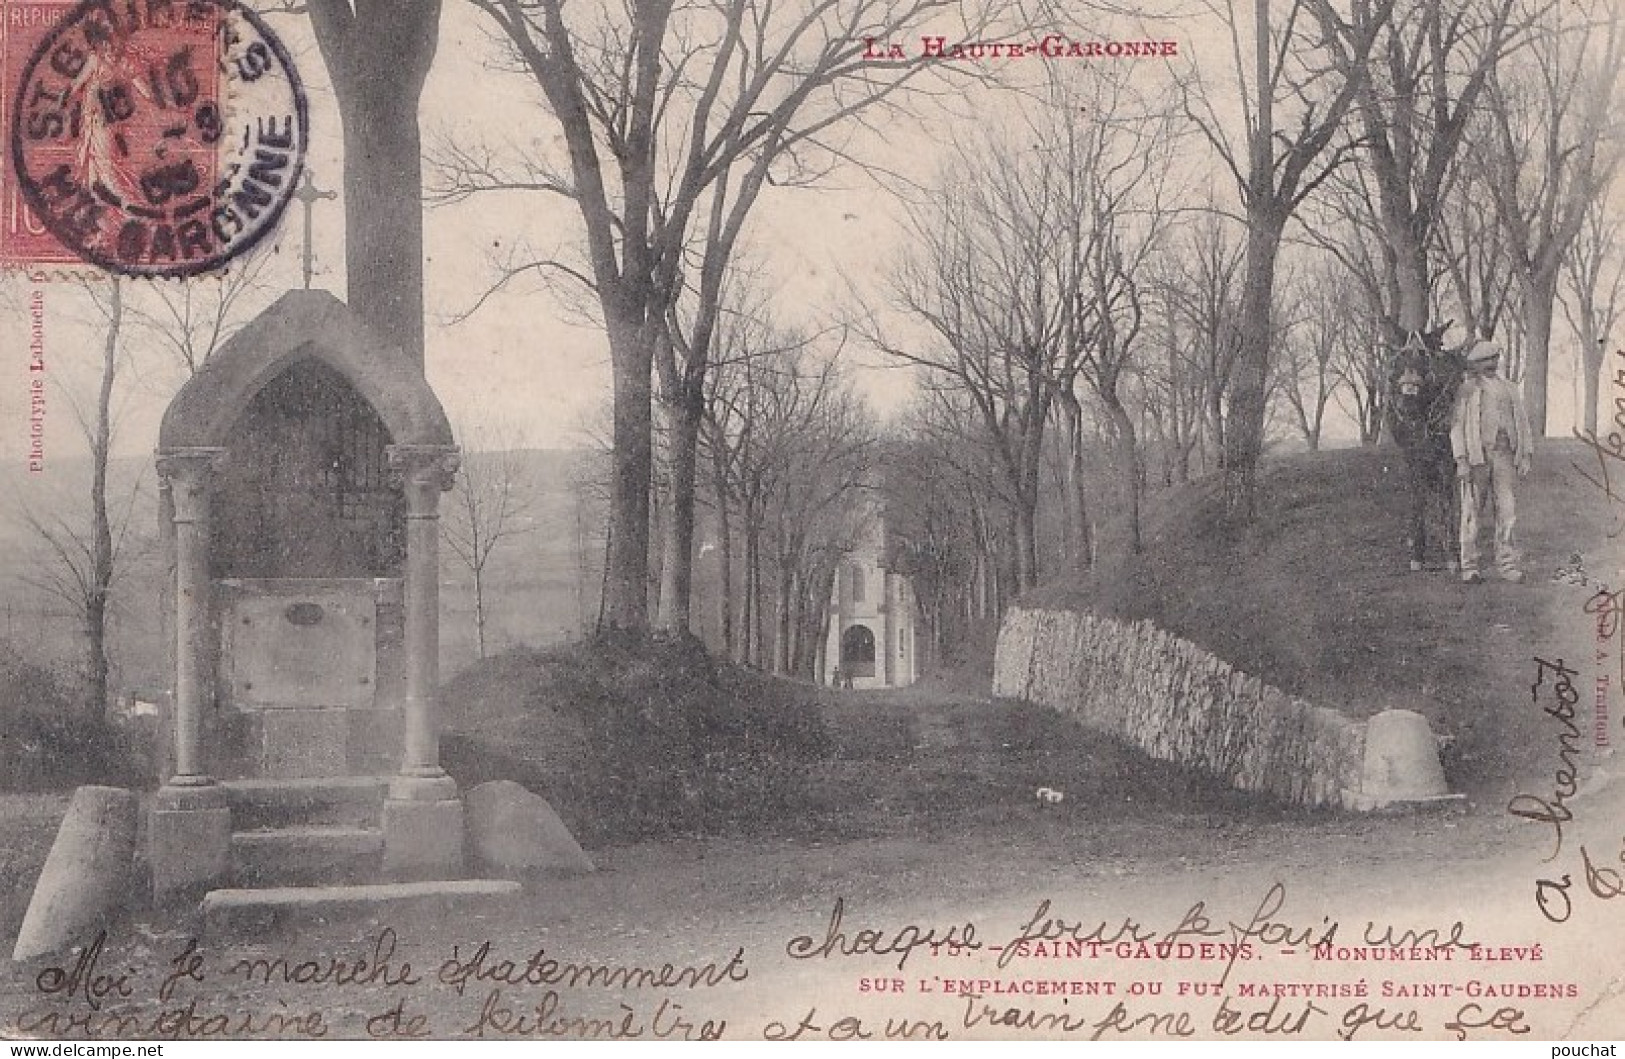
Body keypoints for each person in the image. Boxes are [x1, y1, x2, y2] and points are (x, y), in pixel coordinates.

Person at [1450, 338, 1533, 584]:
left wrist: (1525, 454)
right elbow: (1456, 427)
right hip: (1477, 458)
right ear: (1474, 365)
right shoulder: (1467, 390)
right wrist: (1461, 459)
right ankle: (1470, 566)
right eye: (1485, 361)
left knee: (1507, 510)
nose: (1491, 364)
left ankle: (1506, 564)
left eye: (1494, 359)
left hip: (1504, 455)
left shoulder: (1509, 388)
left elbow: (1523, 423)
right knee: (1471, 511)